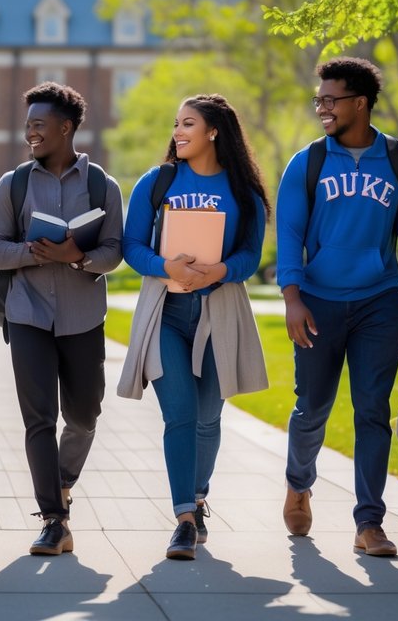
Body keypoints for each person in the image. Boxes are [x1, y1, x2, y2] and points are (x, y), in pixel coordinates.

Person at [278, 57, 398, 557]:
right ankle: (299, 483)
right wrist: (292, 296)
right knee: (312, 407)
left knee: (372, 411)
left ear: (359, 104)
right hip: (318, 302)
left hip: (379, 301)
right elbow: (291, 234)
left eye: (330, 100)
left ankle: (370, 523)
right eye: (318, 99)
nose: (321, 107)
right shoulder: (309, 162)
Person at [117, 94, 271, 561]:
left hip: (218, 312)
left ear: (214, 131)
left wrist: (219, 271)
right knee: (180, 414)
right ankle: (184, 519)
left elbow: (250, 256)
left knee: (208, 418)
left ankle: (199, 497)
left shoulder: (244, 192)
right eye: (176, 123)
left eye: (188, 123)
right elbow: (131, 246)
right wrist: (167, 265)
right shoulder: (157, 181)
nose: (178, 132)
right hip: (165, 314)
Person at [0, 82, 125, 556]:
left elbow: (113, 252)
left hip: (84, 316)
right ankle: (53, 519)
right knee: (38, 419)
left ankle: (63, 481)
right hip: (27, 315)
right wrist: (36, 252)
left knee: (84, 415)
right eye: (27, 127)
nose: (30, 134)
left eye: (39, 126)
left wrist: (77, 257)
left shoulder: (103, 186)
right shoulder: (14, 184)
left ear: (66, 128)